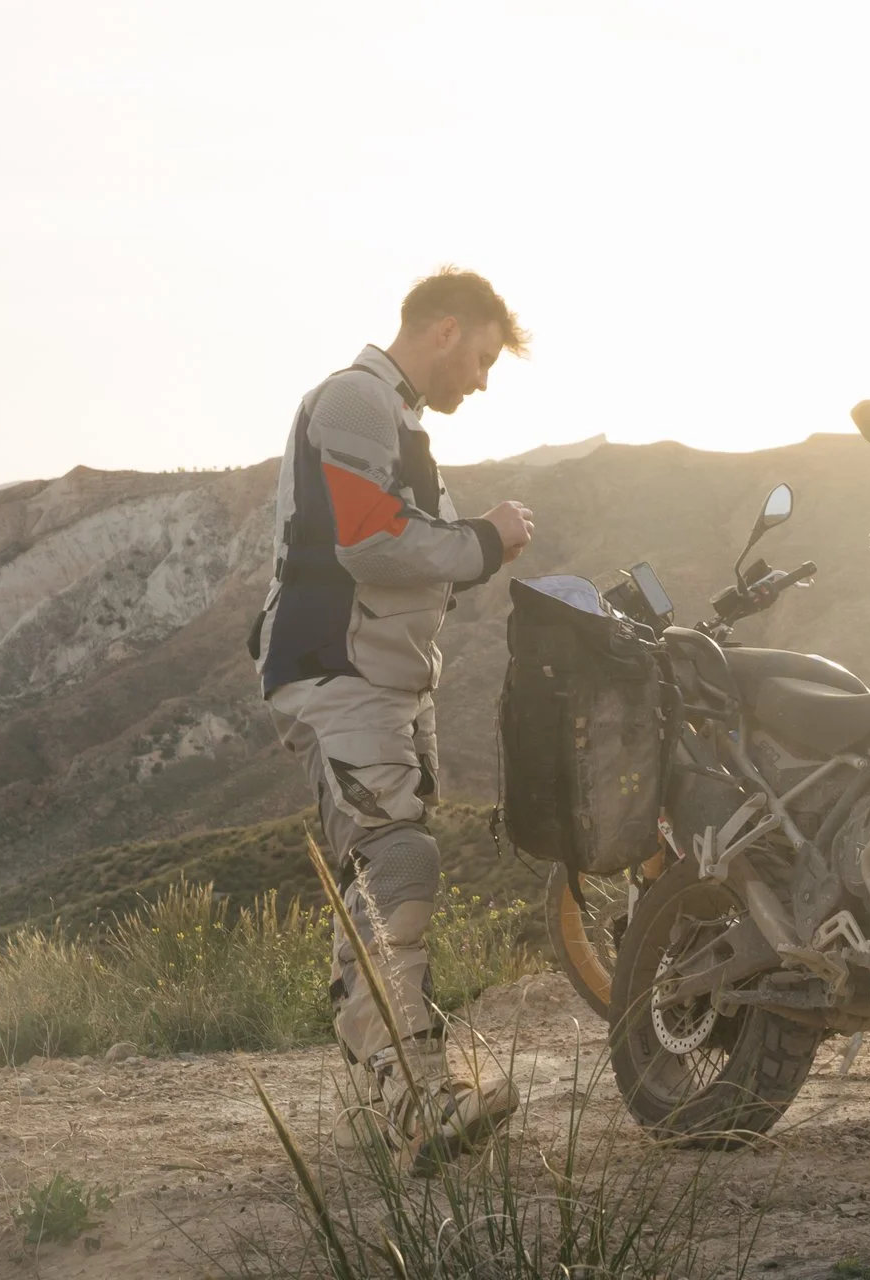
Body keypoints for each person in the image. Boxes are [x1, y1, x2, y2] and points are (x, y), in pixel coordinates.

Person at [249, 266, 536, 1169]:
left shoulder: (397, 416)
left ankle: (394, 1087)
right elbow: (369, 541)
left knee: (376, 871)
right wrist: (487, 539)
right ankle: (418, 1094)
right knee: (399, 856)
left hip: (389, 681)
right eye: (483, 358)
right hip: (342, 674)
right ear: (443, 330)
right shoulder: (357, 400)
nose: (483, 380)